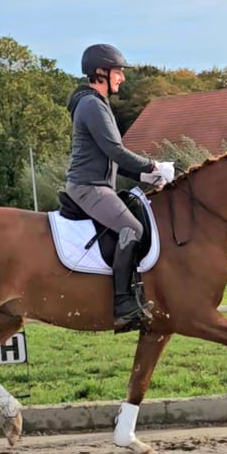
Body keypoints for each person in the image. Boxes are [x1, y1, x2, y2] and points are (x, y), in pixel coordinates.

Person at [65, 43, 175, 332]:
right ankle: (124, 304)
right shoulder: (92, 105)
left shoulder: (96, 103)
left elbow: (112, 158)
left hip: (98, 184)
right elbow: (116, 151)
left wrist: (144, 178)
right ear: (101, 72)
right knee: (133, 230)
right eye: (118, 72)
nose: (122, 78)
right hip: (90, 188)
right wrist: (153, 166)